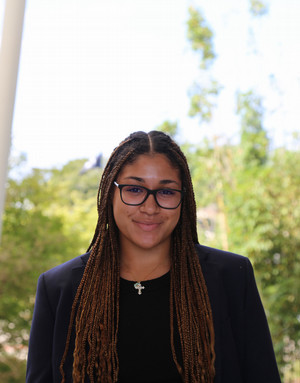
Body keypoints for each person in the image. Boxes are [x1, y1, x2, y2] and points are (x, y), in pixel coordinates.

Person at [26, 130, 281, 383]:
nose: (150, 208)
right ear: (110, 193)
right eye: (135, 190)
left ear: (184, 197)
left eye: (166, 192)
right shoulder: (59, 288)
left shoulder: (231, 276)